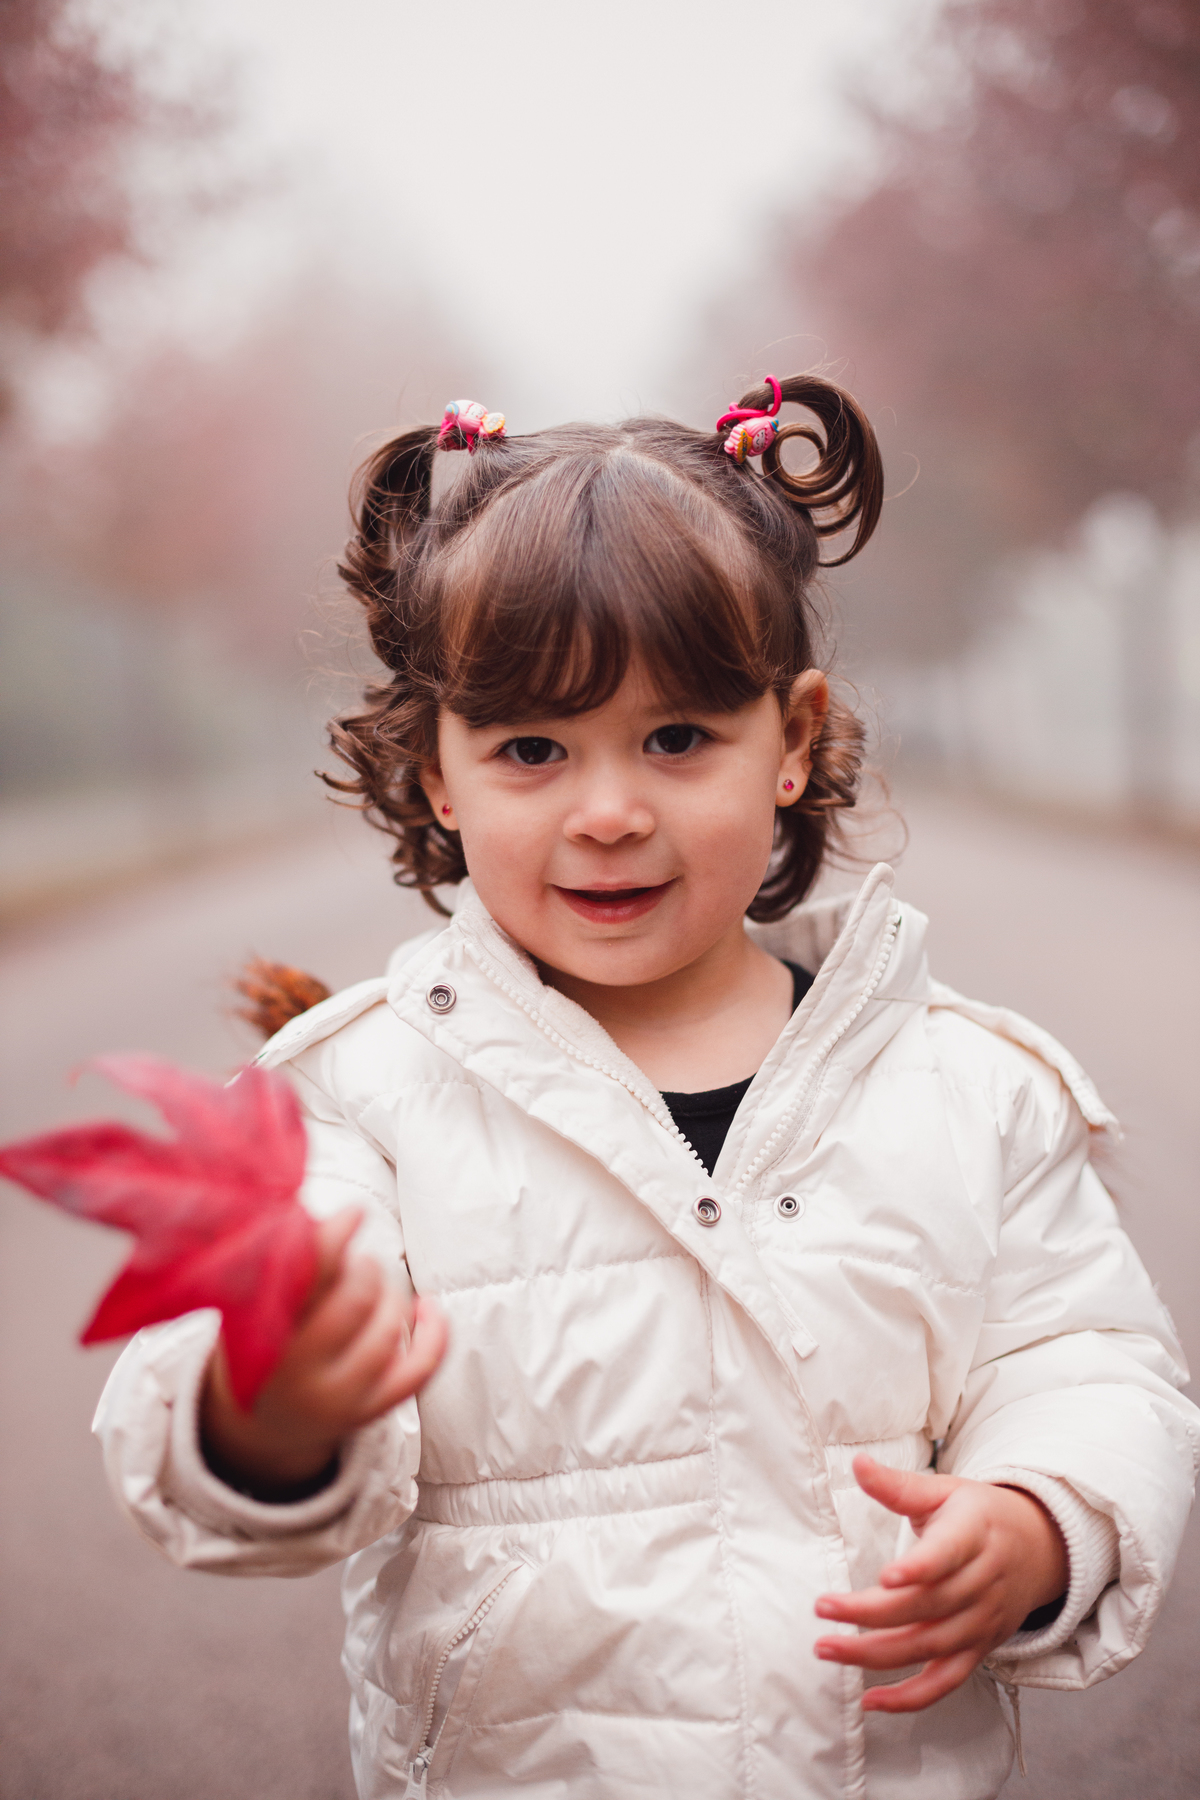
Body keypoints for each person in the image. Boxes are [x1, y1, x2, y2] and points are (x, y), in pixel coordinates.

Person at [94, 377, 1199, 1800]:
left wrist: (1044, 1516)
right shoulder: (359, 1100)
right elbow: (211, 1366)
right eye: (532, 750)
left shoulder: (967, 1087)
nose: (609, 812)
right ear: (439, 773)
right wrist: (267, 1405)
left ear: (792, 740)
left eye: (677, 739)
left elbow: (1086, 1359)